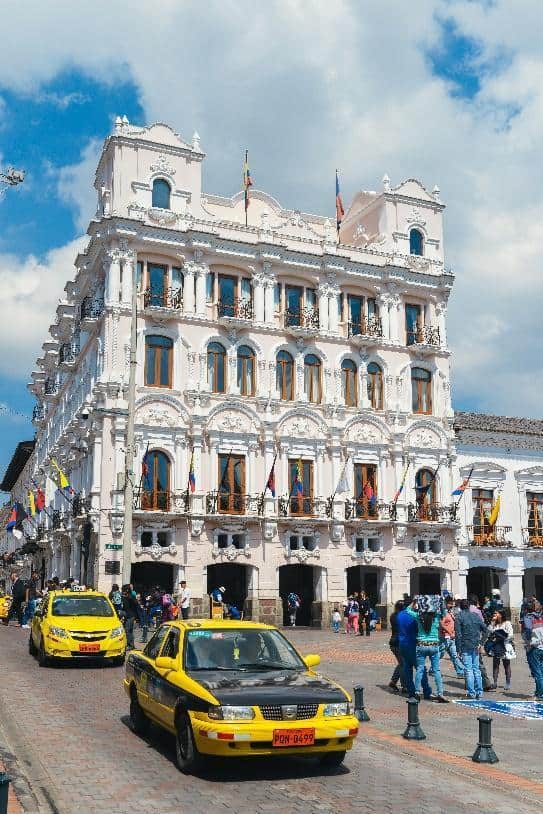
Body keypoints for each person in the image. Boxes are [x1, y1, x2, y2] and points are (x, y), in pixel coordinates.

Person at [414, 595, 449, 703]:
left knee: (420, 669)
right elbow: (445, 613)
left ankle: (417, 692)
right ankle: (440, 693)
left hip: (421, 644)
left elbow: (408, 610)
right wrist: (440, 601)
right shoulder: (437, 616)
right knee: (437, 670)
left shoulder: (418, 617)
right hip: (434, 645)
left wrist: (416, 601)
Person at [397, 597, 431, 700]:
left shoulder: (400, 615)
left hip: (402, 643)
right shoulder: (414, 616)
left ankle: (411, 691)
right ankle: (426, 690)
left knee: (407, 668)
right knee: (421, 668)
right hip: (413, 644)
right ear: (412, 604)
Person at [455, 598, 488, 699]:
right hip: (475, 645)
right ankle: (479, 692)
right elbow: (486, 630)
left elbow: (458, 634)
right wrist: (481, 643)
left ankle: (471, 692)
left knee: (468, 670)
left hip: (465, 645)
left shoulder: (459, 617)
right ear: (469, 606)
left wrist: (458, 649)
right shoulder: (476, 616)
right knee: (476, 669)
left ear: (460, 607)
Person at [469, 594, 494, 691]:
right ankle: (485, 683)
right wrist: (482, 642)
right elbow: (483, 627)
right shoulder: (478, 612)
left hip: (466, 640)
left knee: (468, 664)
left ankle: (471, 684)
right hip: (476, 639)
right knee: (479, 663)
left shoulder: (463, 611)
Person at [487, 609, 515, 690]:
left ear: (501, 615)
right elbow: (488, 631)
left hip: (505, 645)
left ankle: (508, 682)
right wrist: (492, 622)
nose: (494, 614)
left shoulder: (507, 623)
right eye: (494, 613)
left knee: (506, 664)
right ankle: (495, 682)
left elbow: (511, 634)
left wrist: (502, 637)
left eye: (496, 613)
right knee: (495, 664)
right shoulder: (494, 624)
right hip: (496, 646)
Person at [521, 598, 543, 700]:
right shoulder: (540, 617)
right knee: (541, 671)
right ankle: (539, 691)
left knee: (537, 672)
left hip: (534, 648)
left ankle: (539, 695)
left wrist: (528, 642)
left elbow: (529, 629)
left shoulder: (528, 618)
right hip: (541, 647)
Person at [439, 596, 465, 678]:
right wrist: (450, 633)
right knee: (440, 654)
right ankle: (433, 669)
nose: (452, 605)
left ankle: (460, 672)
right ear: (446, 603)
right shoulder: (443, 612)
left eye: (452, 603)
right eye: (450, 603)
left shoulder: (450, 612)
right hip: (445, 637)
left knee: (454, 655)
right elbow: (442, 624)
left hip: (451, 638)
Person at [388, 600, 406, 693]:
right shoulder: (401, 617)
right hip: (398, 642)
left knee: (401, 663)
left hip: (394, 641)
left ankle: (393, 682)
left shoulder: (393, 616)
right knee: (403, 664)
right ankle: (404, 686)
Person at [121, 584, 140, 650]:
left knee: (127, 630)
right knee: (129, 631)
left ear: (126, 590)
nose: (122, 591)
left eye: (123, 590)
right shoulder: (126, 596)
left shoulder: (130, 596)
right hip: (128, 615)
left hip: (130, 616)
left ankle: (130, 645)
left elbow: (136, 604)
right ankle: (131, 645)